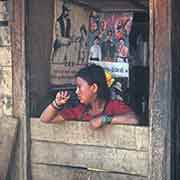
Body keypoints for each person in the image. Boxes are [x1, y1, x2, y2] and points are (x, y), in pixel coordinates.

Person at [40, 64, 138, 128]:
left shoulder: (114, 106)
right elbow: (45, 119)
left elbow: (133, 120)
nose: (76, 91)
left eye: (79, 87)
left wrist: (104, 119)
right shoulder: (80, 110)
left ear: (94, 88)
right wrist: (56, 103)